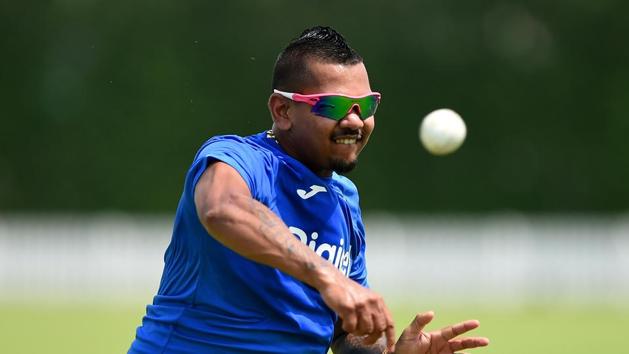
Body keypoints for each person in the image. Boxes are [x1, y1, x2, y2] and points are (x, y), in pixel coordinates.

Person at [129, 26, 489, 354]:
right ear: (283, 110)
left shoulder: (344, 199)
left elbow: (344, 332)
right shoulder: (237, 159)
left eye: (365, 106)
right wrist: (327, 276)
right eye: (332, 106)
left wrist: (389, 353)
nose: (354, 120)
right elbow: (222, 209)